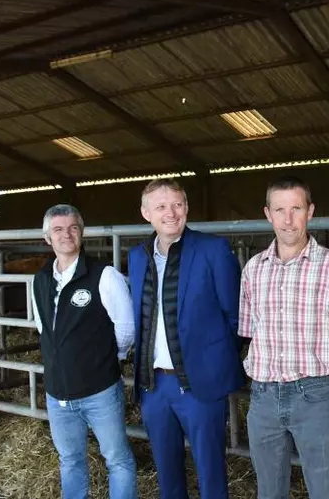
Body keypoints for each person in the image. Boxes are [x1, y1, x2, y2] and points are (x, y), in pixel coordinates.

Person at [239, 176, 329, 499]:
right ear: (268, 214)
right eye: (279, 209)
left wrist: (325, 378)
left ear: (310, 211)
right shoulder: (253, 269)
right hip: (263, 396)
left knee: (323, 488)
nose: (288, 219)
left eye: (296, 208)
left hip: (314, 395)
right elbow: (251, 331)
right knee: (268, 489)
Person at [127, 178, 244, 499]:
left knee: (210, 471)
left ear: (187, 208)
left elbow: (236, 316)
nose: (171, 213)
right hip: (155, 386)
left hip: (200, 385)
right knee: (167, 473)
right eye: (161, 206)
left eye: (177, 204)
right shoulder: (137, 258)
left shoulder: (212, 250)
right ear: (145, 213)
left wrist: (213, 363)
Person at [32, 204, 137, 499]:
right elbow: (43, 327)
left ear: (82, 233)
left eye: (73, 228)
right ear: (47, 238)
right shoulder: (39, 280)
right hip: (57, 394)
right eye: (58, 229)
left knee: (117, 458)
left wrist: (106, 358)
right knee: (70, 460)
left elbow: (126, 327)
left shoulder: (104, 275)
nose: (66, 234)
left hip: (99, 391)